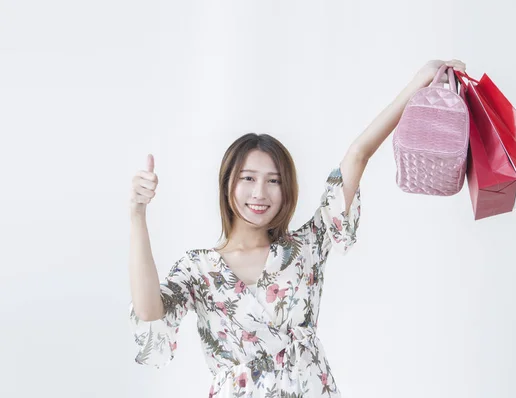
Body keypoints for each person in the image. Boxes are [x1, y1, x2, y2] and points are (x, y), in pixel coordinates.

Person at [128, 59, 467, 397]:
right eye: (248, 178)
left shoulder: (306, 246)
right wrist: (137, 214)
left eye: (273, 181)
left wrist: (417, 84)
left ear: (286, 188)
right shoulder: (198, 268)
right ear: (227, 183)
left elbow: (358, 155)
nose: (260, 193)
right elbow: (149, 311)